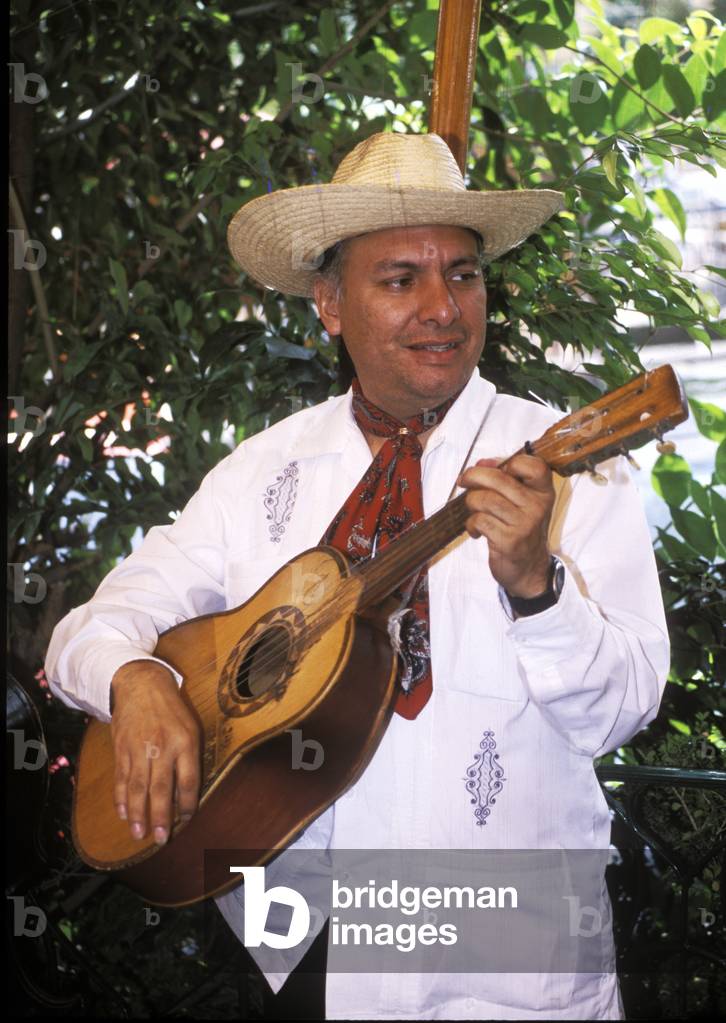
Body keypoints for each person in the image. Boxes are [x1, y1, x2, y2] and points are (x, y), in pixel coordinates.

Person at [45, 131, 669, 1020]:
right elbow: (91, 629)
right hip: (296, 949)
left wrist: (536, 586)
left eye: (462, 273)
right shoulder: (262, 473)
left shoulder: (575, 469)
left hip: (500, 960)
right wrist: (133, 677)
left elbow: (624, 709)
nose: (442, 308)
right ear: (329, 305)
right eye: (399, 279)